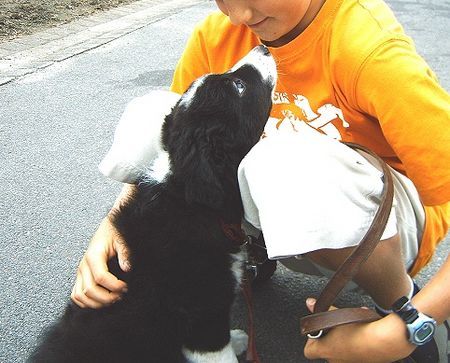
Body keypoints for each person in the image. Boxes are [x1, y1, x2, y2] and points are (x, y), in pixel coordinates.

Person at [71, 0, 450, 361]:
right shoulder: (219, 34)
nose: (239, 15)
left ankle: (397, 299)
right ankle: (249, 251)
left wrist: (406, 327)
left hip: (382, 229)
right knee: (153, 113)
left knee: (279, 160)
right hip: (276, 215)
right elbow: (176, 145)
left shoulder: (370, 50)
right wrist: (116, 222)